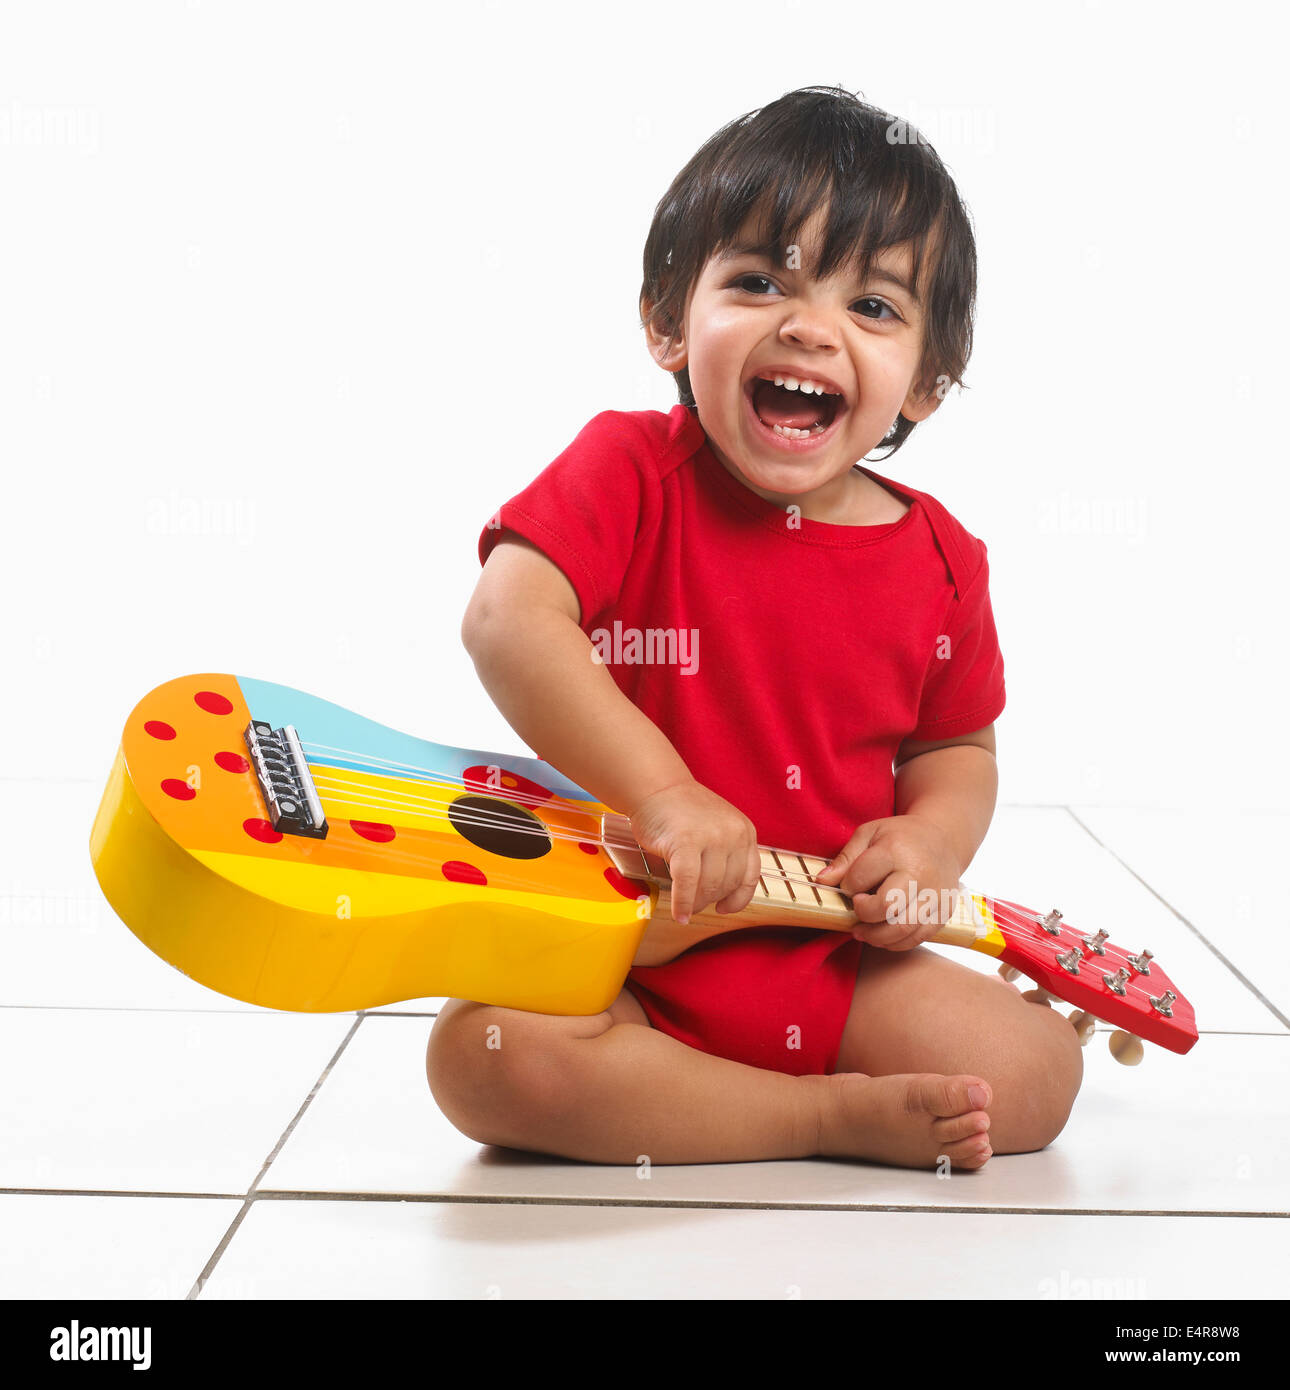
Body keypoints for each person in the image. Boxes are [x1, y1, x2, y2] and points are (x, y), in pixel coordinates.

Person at [427, 86, 1083, 1169]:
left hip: (821, 953)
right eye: (758, 281)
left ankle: (718, 1100)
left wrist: (927, 846)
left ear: (927, 381)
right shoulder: (630, 470)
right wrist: (667, 795)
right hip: (626, 939)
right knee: (485, 1060)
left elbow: (957, 751)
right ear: (669, 320)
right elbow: (508, 616)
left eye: (872, 307)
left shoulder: (943, 563)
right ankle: (813, 1118)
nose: (809, 325)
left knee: (1035, 1075)